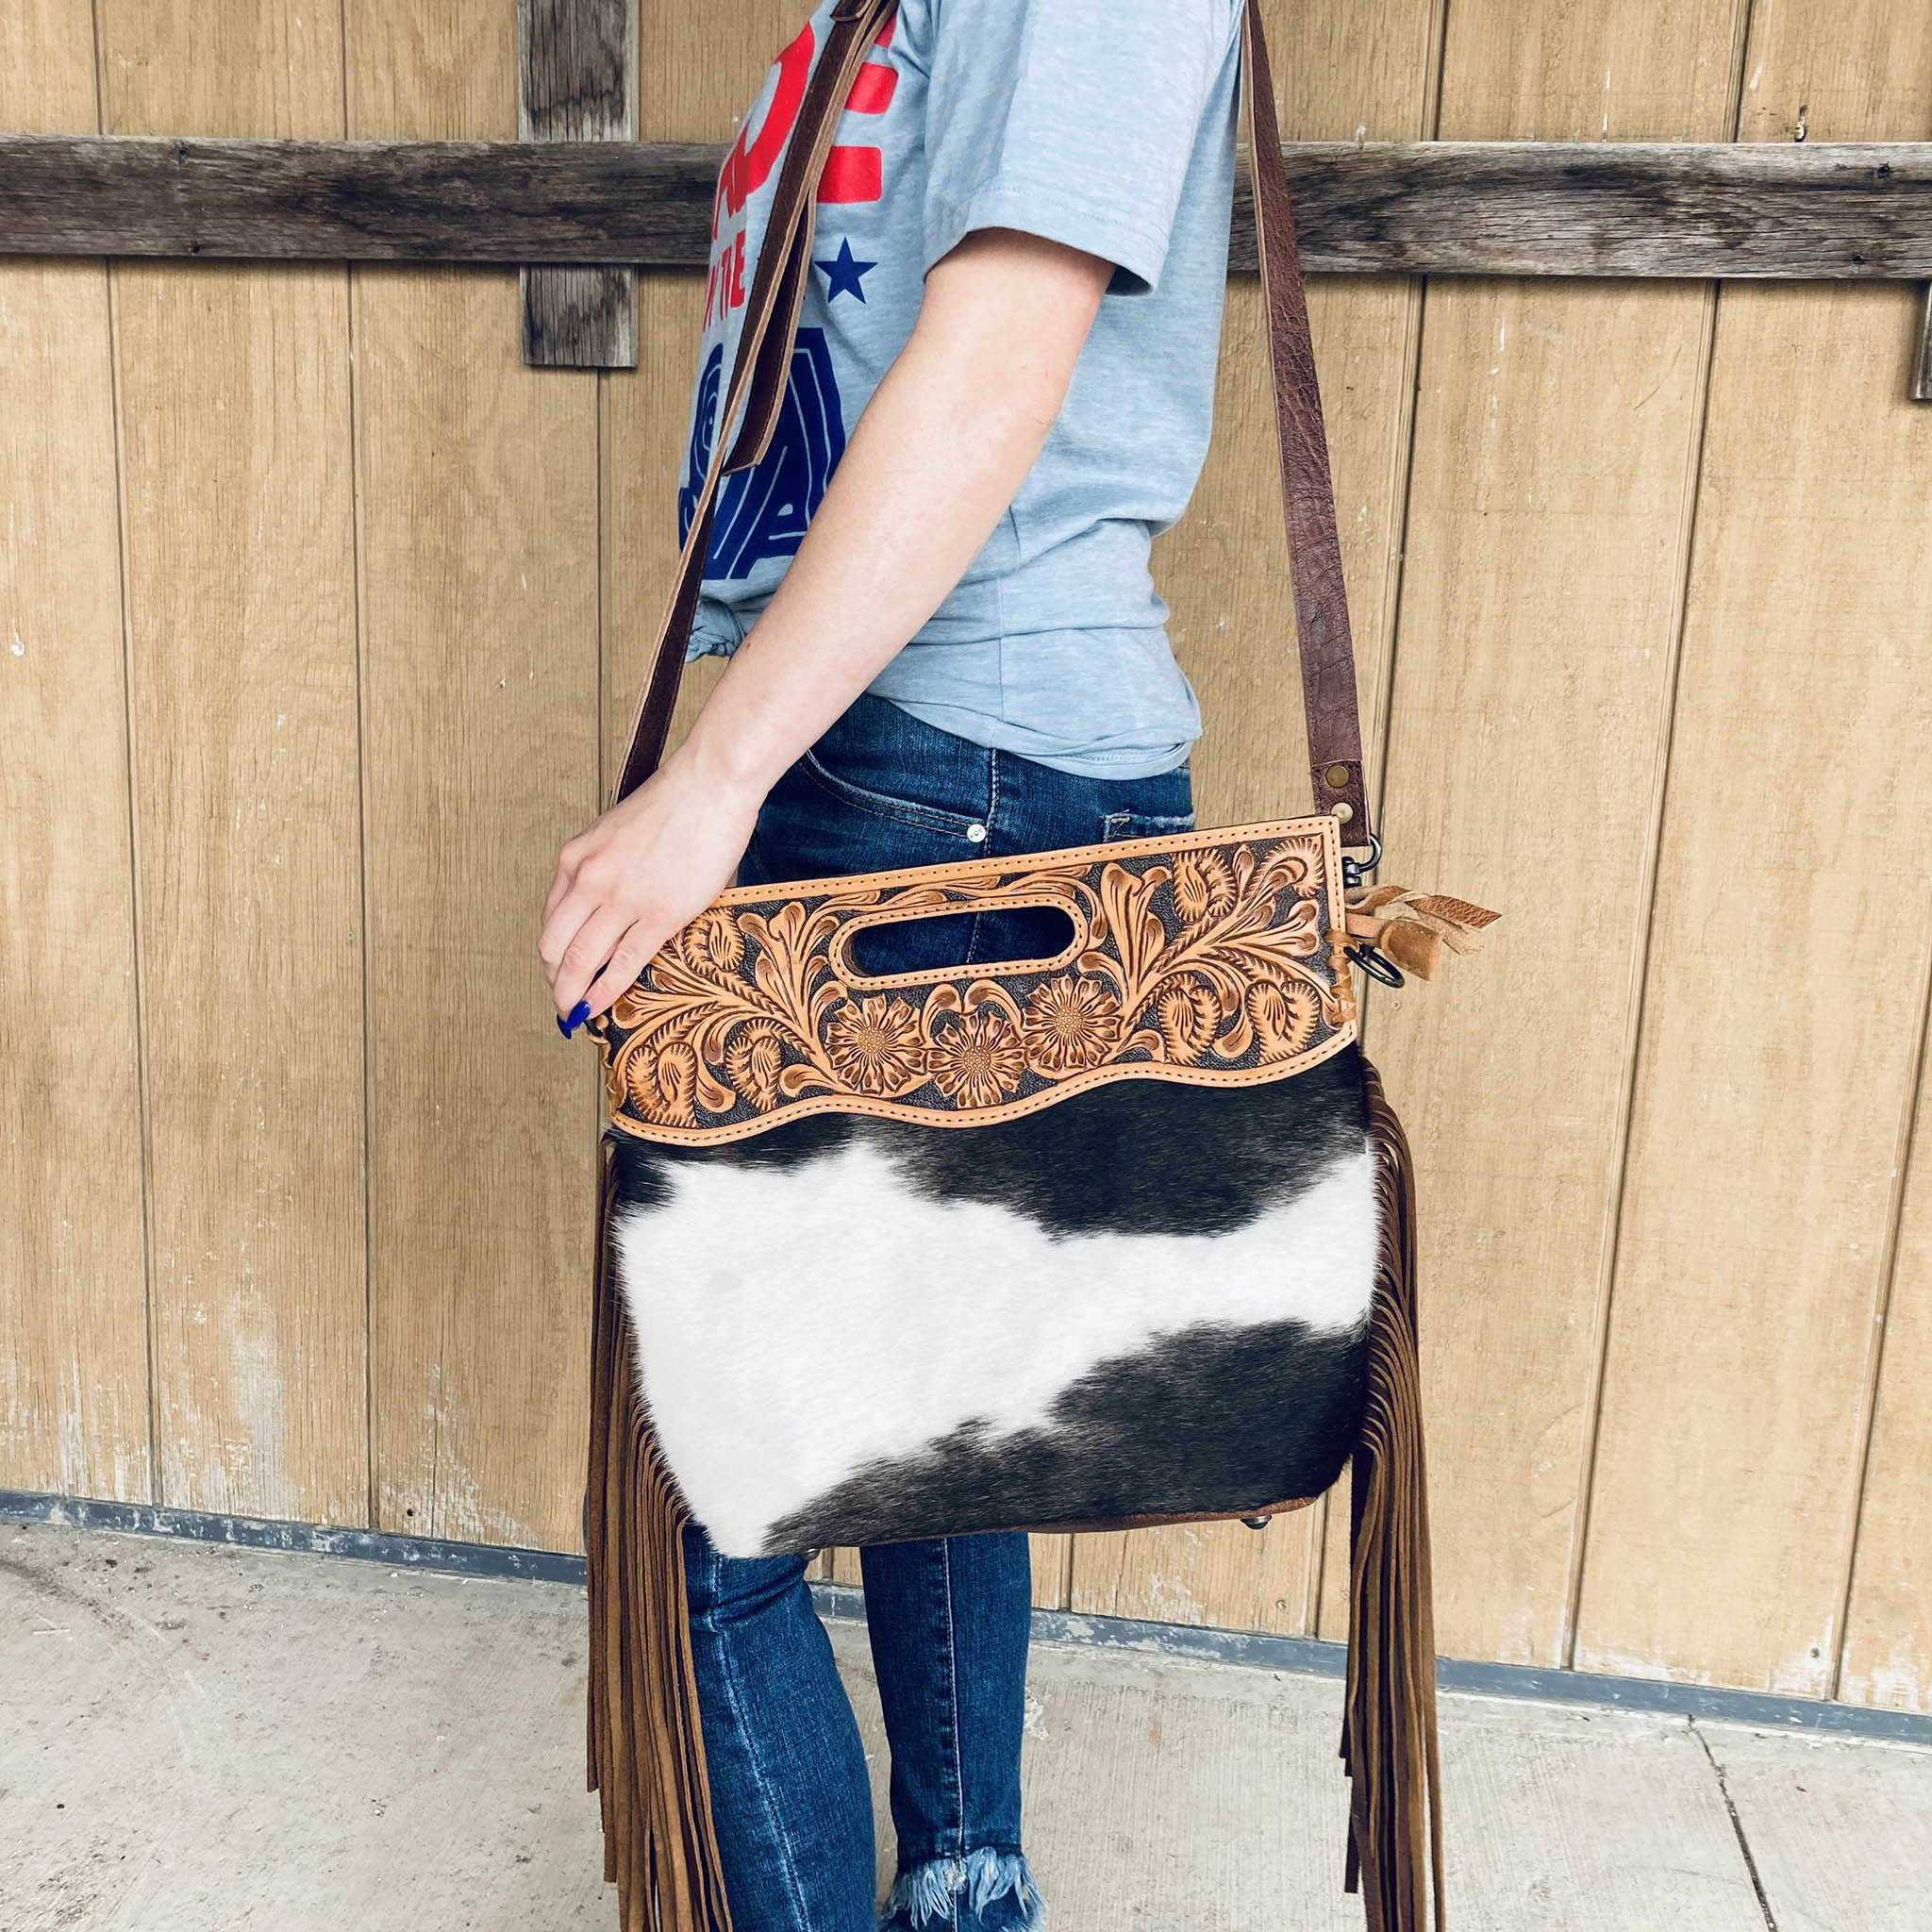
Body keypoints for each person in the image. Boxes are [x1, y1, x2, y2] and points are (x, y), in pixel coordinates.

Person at [540, 2, 1246, 1924]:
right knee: (933, 1435)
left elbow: (1001, 352)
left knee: (718, 1498)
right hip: (893, 750)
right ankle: (963, 1891)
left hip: (948, 771)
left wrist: (718, 774)